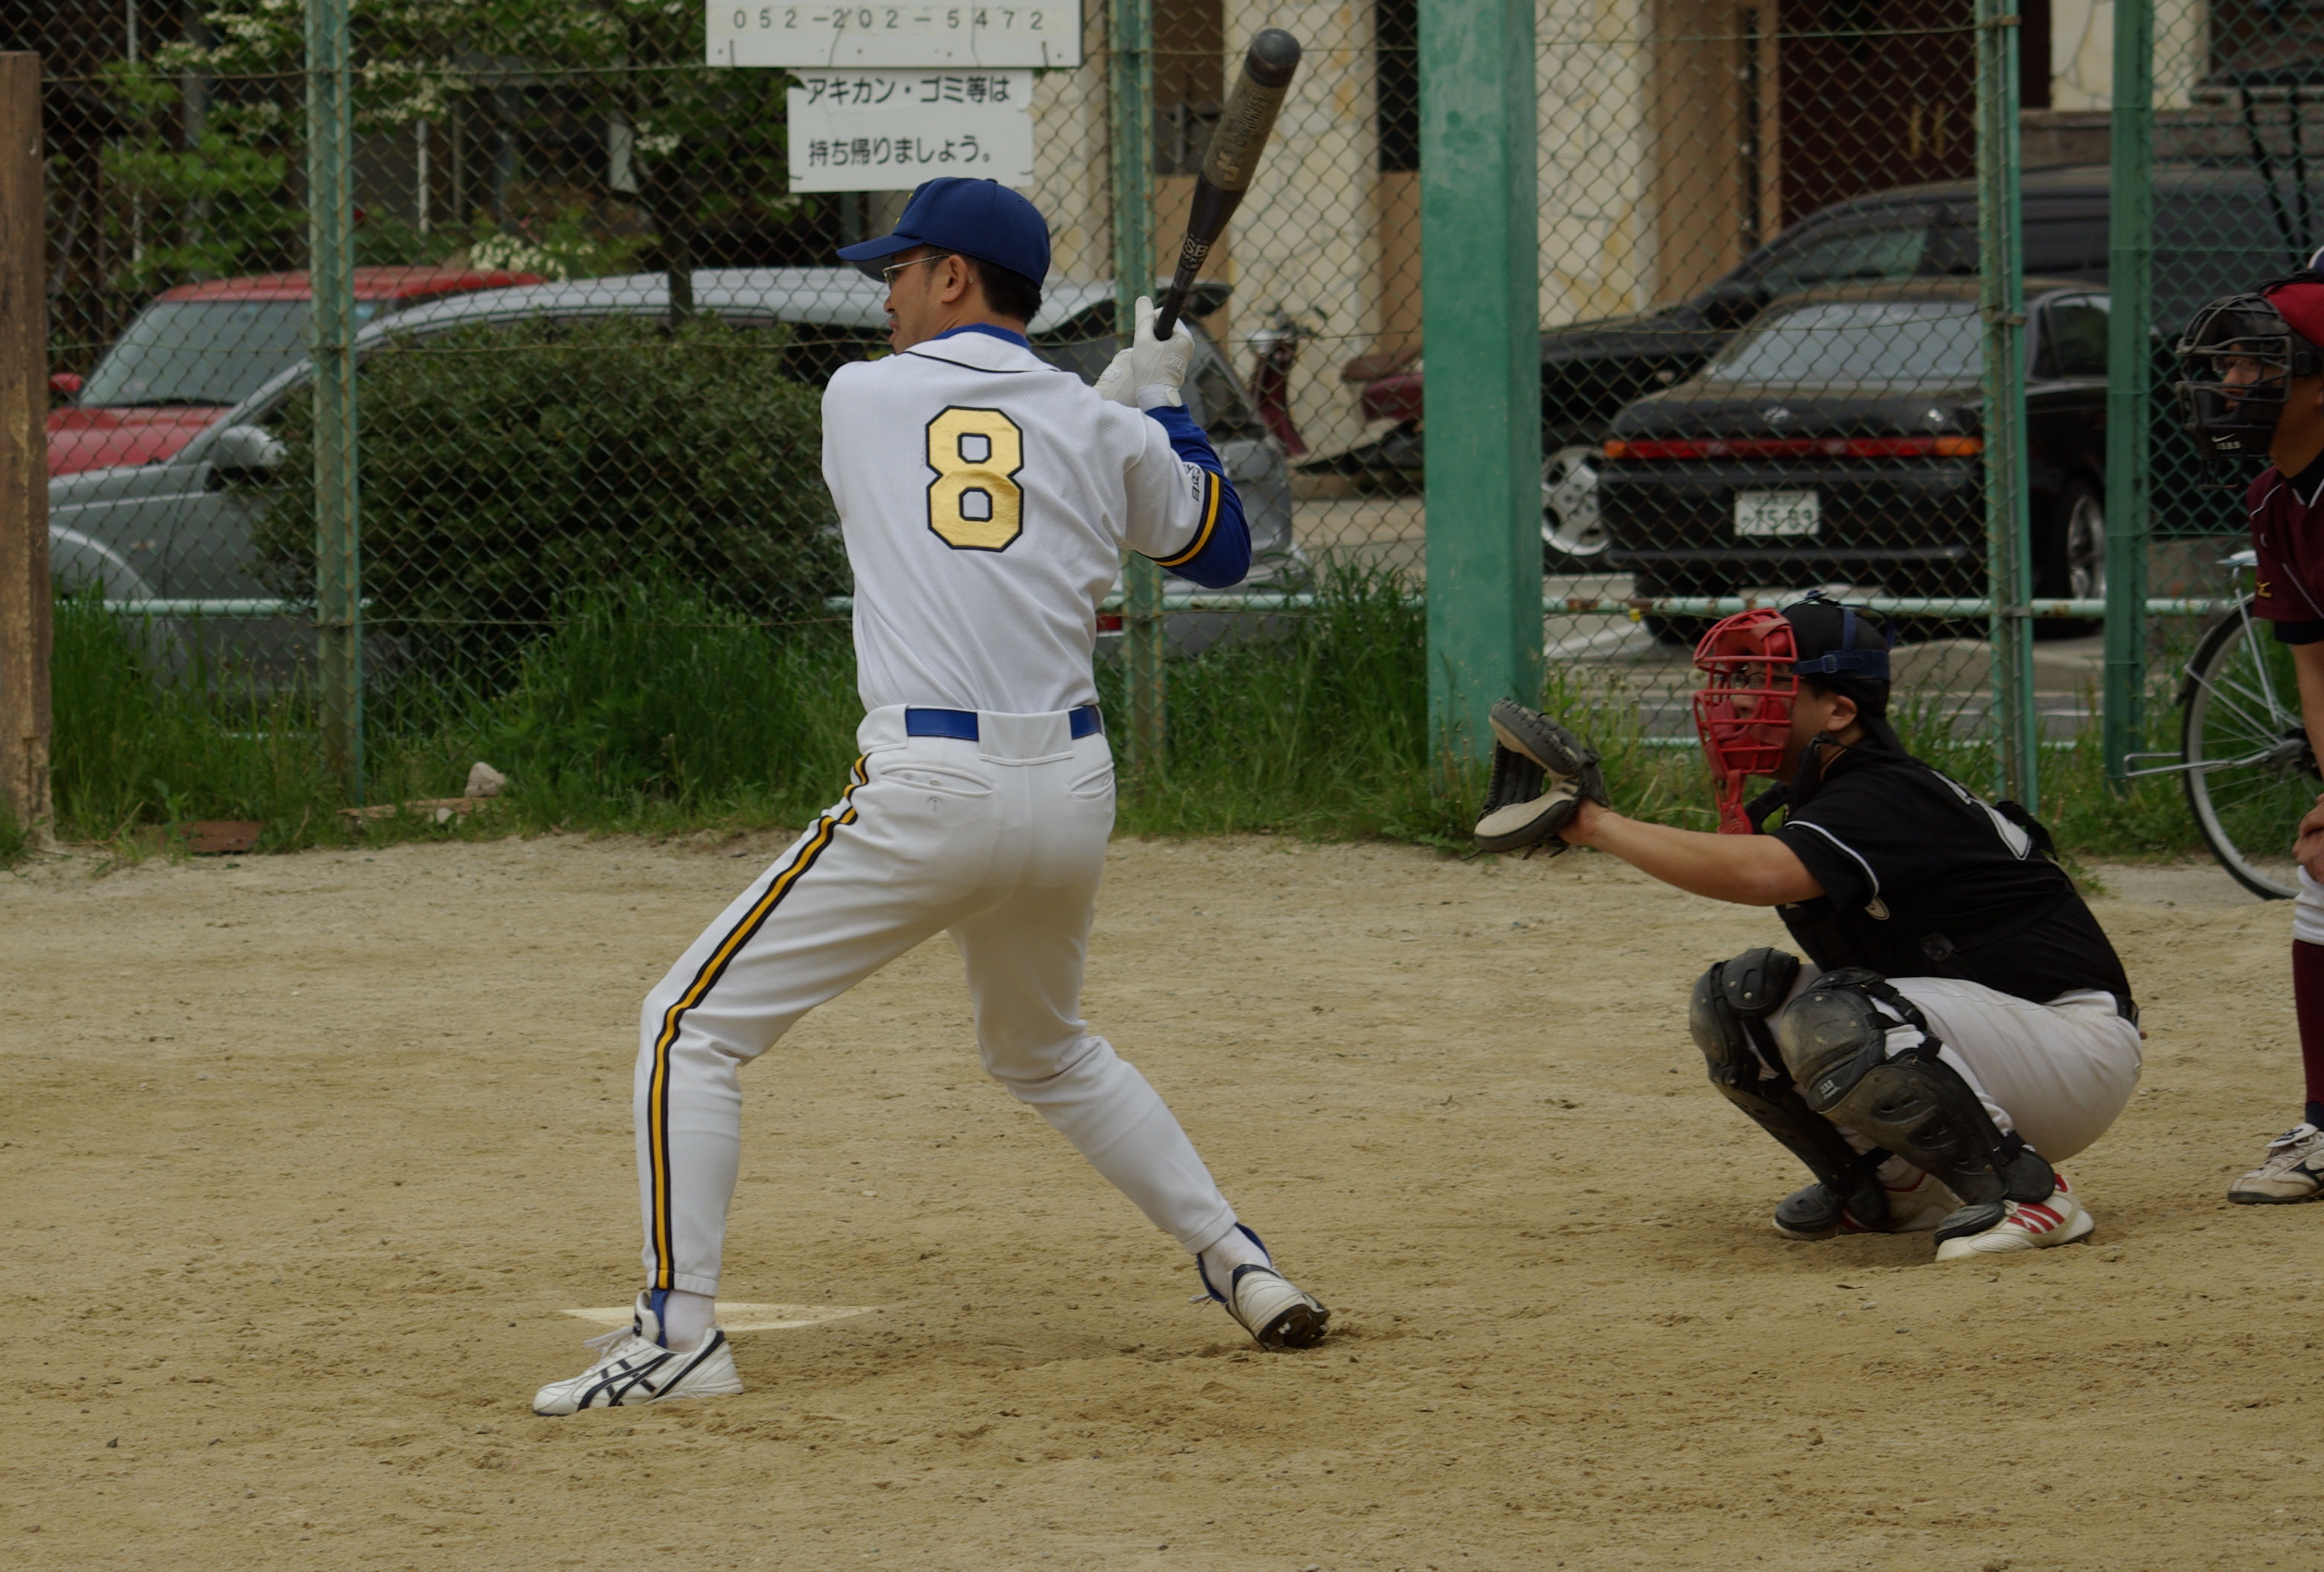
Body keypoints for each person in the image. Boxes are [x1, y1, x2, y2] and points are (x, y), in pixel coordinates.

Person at [531, 178, 1328, 1417]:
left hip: (931, 789)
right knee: (1046, 1047)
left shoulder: (858, 398)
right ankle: (1239, 1260)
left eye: (901, 271)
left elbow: (971, 448)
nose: (888, 295)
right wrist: (1158, 404)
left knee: (687, 1028)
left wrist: (1109, 406)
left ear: (954, 277)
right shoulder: (1093, 425)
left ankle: (677, 1336)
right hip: (1070, 794)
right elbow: (1216, 550)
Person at [1477, 597, 2142, 1260]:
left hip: (2069, 1049)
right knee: (1741, 1001)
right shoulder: (1823, 793)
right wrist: (1597, 826)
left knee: (1838, 1016)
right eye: (1735, 679)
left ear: (1839, 711)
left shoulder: (1885, 791)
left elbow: (1762, 874)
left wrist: (1597, 825)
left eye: (1762, 681)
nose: (1736, 699)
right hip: (1989, 1039)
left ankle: (2029, 1193)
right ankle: (1898, 1187)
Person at [2176, 270, 2324, 1200]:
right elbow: (2315, 668)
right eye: (2227, 362)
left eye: (2257, 363)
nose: (2229, 382)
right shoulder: (2273, 499)